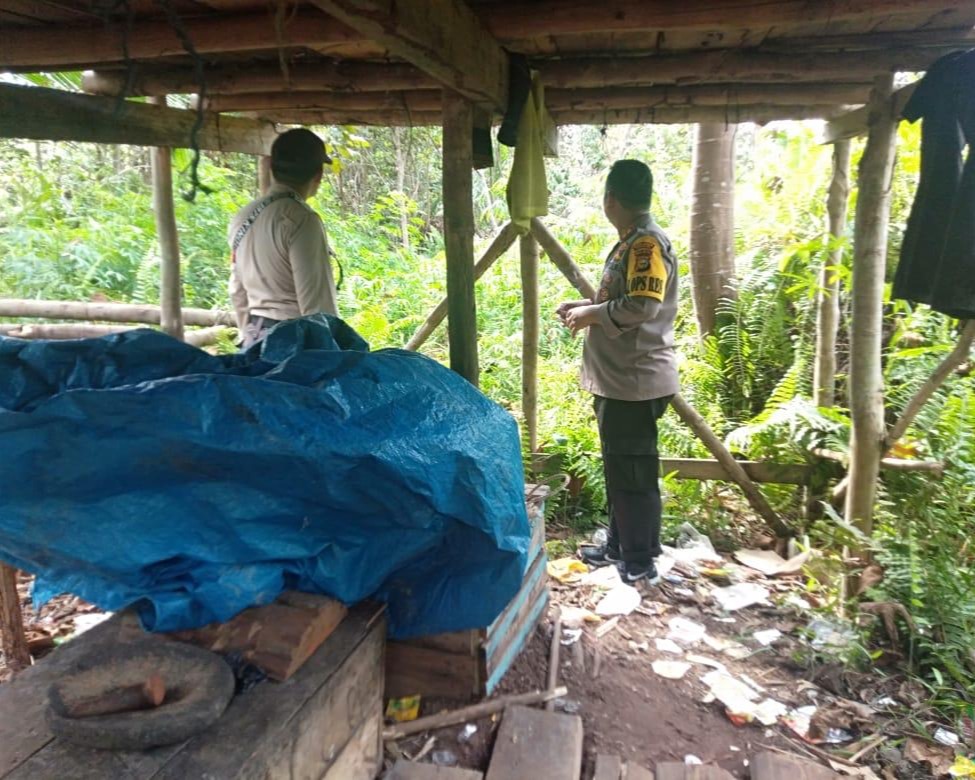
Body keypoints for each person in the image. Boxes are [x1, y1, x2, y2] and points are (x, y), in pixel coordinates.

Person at [557, 159, 679, 584]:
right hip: (622, 380)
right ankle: (620, 547)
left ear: (611, 200)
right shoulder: (633, 241)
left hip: (636, 381)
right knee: (620, 468)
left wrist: (592, 314)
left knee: (633, 473)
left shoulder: (645, 245)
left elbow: (644, 307)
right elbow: (628, 299)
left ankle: (640, 560)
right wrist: (586, 309)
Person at [228, 128, 338, 348]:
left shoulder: (242, 217)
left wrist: (246, 338)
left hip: (254, 338)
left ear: (271, 167)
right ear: (318, 175)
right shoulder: (302, 220)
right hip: (292, 345)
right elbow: (317, 306)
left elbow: (237, 291)